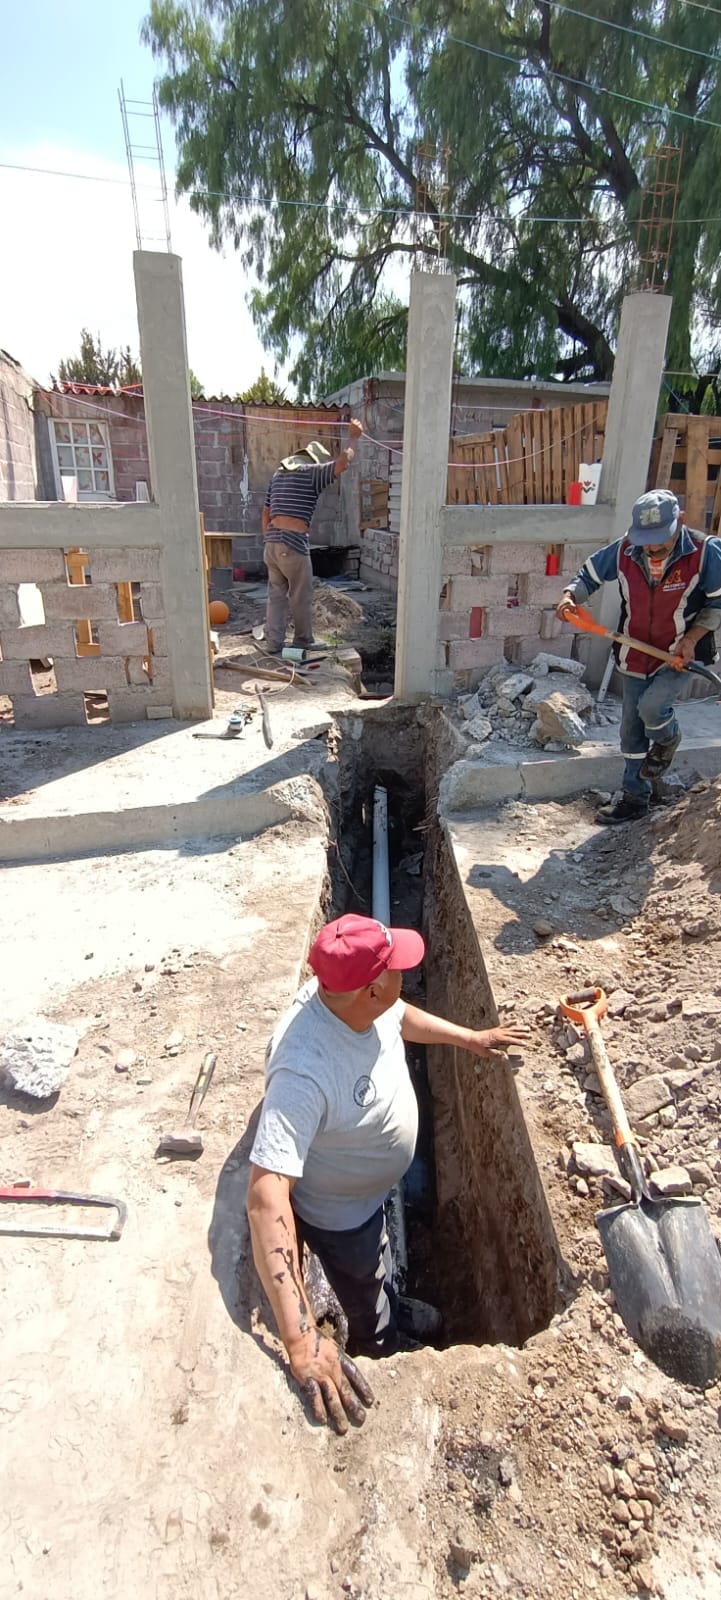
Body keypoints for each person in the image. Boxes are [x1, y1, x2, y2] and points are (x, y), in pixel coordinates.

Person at [246, 913, 530, 1433]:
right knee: (362, 1284)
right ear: (371, 988)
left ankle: (391, 1305)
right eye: (396, 967)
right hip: (342, 1219)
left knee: (377, 1268)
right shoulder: (303, 1070)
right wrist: (302, 1339)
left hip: (371, 1198)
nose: (404, 973)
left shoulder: (351, 996)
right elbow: (266, 1198)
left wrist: (467, 1038)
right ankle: (381, 1343)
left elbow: (398, 1016)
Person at [557, 489, 721, 824]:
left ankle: (668, 738)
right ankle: (635, 798)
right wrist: (570, 596)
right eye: (645, 540)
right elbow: (589, 574)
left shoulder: (706, 553)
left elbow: (718, 602)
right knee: (631, 729)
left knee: (653, 708)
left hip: (678, 653)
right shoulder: (625, 550)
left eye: (659, 539)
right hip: (634, 651)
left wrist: (691, 639)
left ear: (681, 523)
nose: (651, 547)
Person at [261, 420, 363, 653]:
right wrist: (354, 438)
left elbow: (265, 512)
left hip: (272, 545)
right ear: (313, 461)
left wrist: (270, 539)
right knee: (300, 595)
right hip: (293, 544)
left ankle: (273, 643)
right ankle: (303, 640)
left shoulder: (278, 475)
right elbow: (342, 463)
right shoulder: (311, 474)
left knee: (276, 596)